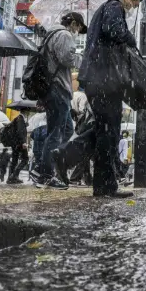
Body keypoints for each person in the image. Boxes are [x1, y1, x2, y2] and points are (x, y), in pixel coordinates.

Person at [78, 0, 142, 198]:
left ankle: (101, 184)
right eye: (134, 2)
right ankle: (106, 185)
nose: (133, 7)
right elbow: (114, 31)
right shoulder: (114, 7)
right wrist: (131, 39)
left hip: (97, 77)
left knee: (104, 130)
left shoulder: (104, 10)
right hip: (103, 78)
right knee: (110, 131)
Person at [35, 12, 86, 190]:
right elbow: (67, 59)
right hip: (58, 88)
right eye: (78, 26)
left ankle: (43, 165)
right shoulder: (63, 34)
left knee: (66, 129)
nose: (78, 31)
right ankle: (46, 175)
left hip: (54, 88)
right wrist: (83, 58)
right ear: (72, 23)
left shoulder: (52, 34)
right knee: (56, 132)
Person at [5, 111, 30, 185]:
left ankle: (10, 178)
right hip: (20, 143)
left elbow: (18, 130)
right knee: (25, 159)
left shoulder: (17, 119)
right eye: (27, 112)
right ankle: (14, 176)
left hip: (15, 143)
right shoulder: (20, 119)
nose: (28, 113)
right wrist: (23, 142)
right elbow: (20, 131)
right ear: (26, 111)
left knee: (14, 160)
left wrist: (25, 125)